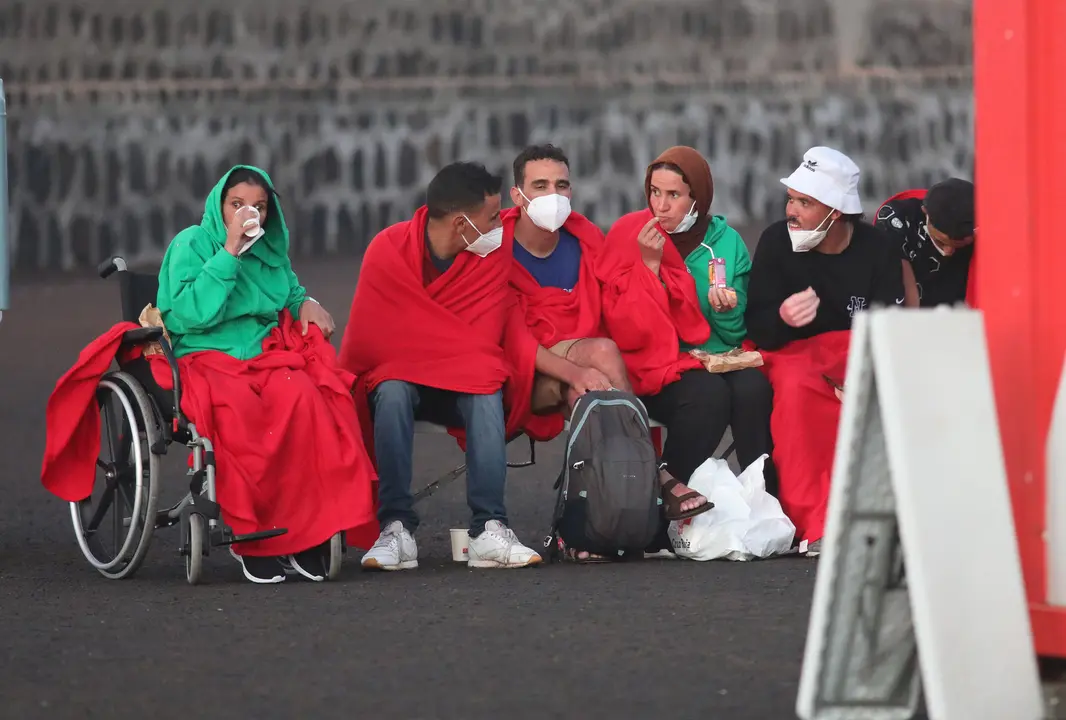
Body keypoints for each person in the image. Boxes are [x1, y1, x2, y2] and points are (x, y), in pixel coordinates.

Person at [44, 165, 377, 584]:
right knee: (239, 411)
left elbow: (289, 292)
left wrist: (304, 302)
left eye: (258, 207)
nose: (248, 214)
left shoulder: (270, 251)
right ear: (220, 205)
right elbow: (186, 314)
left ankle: (304, 533)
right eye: (237, 205)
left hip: (261, 356)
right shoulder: (191, 243)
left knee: (305, 399)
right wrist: (230, 252)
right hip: (203, 355)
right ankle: (253, 537)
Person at [339, 161, 547, 571]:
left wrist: (430, 352)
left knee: (486, 383)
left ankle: (489, 526)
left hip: (461, 381)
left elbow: (482, 342)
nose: (499, 227)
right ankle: (395, 527)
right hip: (407, 383)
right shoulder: (388, 249)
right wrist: (436, 354)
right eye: (491, 217)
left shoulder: (488, 255)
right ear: (460, 223)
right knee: (393, 389)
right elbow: (371, 343)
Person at [745, 147, 905, 556]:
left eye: (805, 202)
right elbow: (758, 328)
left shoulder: (877, 248)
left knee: (882, 394)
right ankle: (814, 522)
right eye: (791, 199)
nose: (791, 210)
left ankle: (887, 522)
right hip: (793, 355)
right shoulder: (776, 242)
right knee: (797, 395)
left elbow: (888, 323)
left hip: (858, 352)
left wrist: (866, 371)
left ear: (836, 212)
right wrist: (782, 316)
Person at [642, 146, 779, 496]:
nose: (661, 205)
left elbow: (736, 333)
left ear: (697, 198)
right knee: (709, 395)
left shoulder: (728, 244)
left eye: (674, 194)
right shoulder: (639, 239)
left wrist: (725, 309)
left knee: (754, 389)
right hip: (662, 364)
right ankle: (666, 496)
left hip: (720, 358)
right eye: (655, 192)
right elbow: (637, 325)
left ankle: (761, 501)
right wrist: (650, 268)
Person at [505, 143, 630, 428]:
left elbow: (617, 306)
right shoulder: (497, 250)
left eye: (561, 185)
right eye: (540, 185)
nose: (553, 195)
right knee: (602, 354)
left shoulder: (587, 240)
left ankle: (622, 468)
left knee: (586, 393)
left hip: (584, 365)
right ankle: (647, 464)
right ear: (517, 196)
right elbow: (510, 338)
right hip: (522, 369)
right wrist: (575, 372)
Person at [875, 178, 976, 308]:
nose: (948, 251)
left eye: (959, 244)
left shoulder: (986, 229)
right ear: (925, 211)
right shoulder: (897, 219)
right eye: (940, 242)